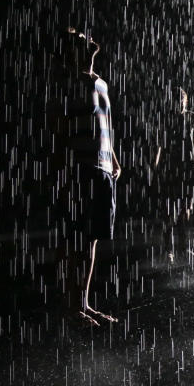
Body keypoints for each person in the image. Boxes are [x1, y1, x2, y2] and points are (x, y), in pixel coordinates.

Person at [52, 28, 122, 326]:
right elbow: (59, 127)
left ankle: (84, 303)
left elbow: (107, 124)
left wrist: (115, 160)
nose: (89, 38)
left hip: (103, 169)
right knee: (77, 239)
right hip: (81, 167)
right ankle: (73, 307)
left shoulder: (100, 82)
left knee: (91, 240)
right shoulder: (70, 83)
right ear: (73, 51)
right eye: (81, 39)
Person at [152, 88, 194, 264]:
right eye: (176, 99)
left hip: (188, 169)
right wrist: (156, 167)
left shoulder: (192, 117)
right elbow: (159, 145)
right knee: (169, 212)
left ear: (186, 101)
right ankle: (169, 250)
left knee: (185, 212)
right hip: (170, 170)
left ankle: (183, 248)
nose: (178, 102)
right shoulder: (166, 119)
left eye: (181, 99)